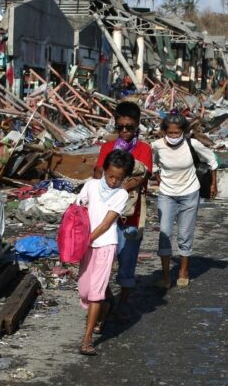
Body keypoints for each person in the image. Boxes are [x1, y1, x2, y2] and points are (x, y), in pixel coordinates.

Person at [93, 102, 152, 319]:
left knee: (127, 261)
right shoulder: (107, 148)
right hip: (105, 214)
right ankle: (105, 299)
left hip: (130, 214)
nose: (125, 131)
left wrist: (120, 188)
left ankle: (123, 303)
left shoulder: (144, 149)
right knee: (103, 262)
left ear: (137, 125)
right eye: (121, 127)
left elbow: (142, 176)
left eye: (129, 127)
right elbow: (98, 174)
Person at [75, 149, 133, 356]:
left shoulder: (121, 194)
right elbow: (77, 209)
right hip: (86, 245)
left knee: (95, 293)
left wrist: (87, 239)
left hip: (105, 244)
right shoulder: (90, 185)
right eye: (111, 176)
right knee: (84, 290)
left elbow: (107, 223)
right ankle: (106, 306)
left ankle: (87, 339)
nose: (113, 181)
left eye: (119, 178)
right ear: (104, 170)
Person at [152, 112, 218, 289]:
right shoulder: (157, 146)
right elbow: (154, 165)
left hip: (190, 192)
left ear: (183, 132)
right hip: (167, 194)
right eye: (170, 133)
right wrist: (160, 181)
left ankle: (183, 271)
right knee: (164, 233)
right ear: (164, 132)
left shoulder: (192, 144)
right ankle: (166, 276)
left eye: (177, 133)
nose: (174, 136)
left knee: (184, 233)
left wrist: (213, 184)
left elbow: (212, 159)